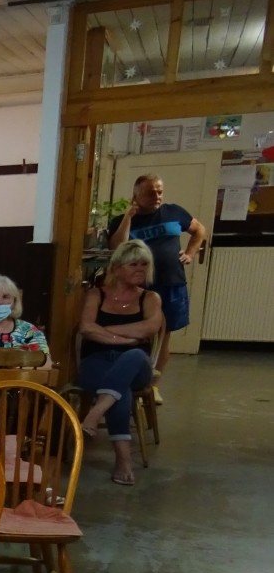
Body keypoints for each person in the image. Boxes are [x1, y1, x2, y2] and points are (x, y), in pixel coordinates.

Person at [107, 174, 208, 398]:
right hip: (137, 289)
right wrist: (128, 217)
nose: (157, 196)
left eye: (159, 191)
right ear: (136, 195)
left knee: (163, 338)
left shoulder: (174, 212)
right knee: (137, 336)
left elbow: (199, 230)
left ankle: (152, 386)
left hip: (171, 284)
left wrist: (190, 253)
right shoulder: (122, 220)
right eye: (150, 192)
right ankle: (131, 380)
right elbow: (116, 247)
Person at [77, 240, 163, 487]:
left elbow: (150, 327)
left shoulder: (150, 297)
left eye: (144, 264)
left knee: (133, 356)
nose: (140, 269)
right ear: (116, 267)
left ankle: (95, 413)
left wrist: (105, 331)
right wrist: (124, 338)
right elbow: (86, 327)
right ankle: (123, 460)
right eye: (133, 264)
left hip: (137, 365)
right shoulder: (96, 294)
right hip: (96, 361)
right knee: (118, 389)